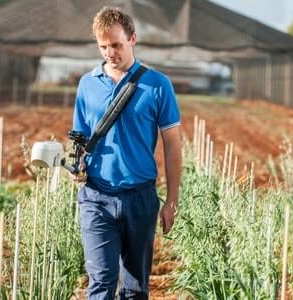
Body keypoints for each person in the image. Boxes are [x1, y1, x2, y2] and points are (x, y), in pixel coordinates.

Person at [72, 6, 182, 300]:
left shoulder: (157, 85)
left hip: (140, 199)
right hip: (96, 198)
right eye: (103, 46)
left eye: (116, 45)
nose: (109, 52)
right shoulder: (87, 85)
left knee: (134, 290)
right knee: (101, 281)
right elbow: (80, 139)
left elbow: (172, 144)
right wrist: (77, 166)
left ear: (133, 39)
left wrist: (171, 200)